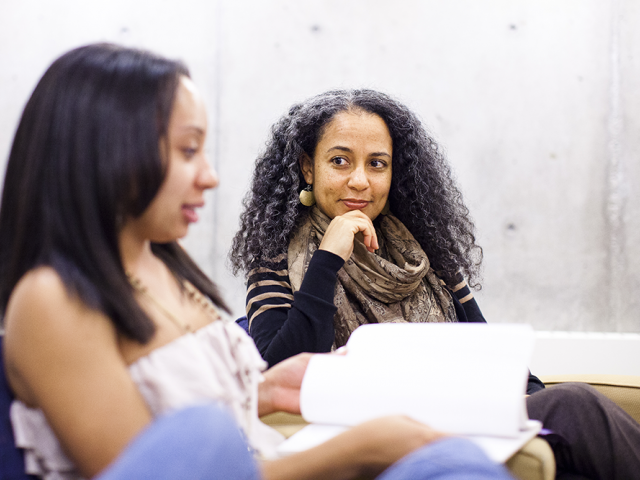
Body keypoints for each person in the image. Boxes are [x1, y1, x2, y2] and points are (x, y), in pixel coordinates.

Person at [0, 44, 515, 480]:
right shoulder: (52, 300)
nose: (210, 177)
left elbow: (202, 408)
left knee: (457, 458)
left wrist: (265, 388)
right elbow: (183, 457)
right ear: (102, 153)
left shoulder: (166, 268)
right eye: (187, 151)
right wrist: (363, 447)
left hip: (263, 452)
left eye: (377, 164)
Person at [231, 89, 640, 479]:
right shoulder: (275, 262)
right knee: (576, 404)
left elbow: (497, 355)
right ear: (308, 167)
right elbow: (281, 371)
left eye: (377, 164)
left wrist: (520, 403)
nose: (360, 180)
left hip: (463, 414)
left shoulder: (424, 256)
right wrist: (328, 259)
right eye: (340, 161)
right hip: (372, 430)